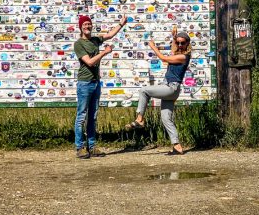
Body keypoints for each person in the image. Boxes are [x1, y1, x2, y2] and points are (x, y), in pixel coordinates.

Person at [126, 26, 191, 155]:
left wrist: (153, 47)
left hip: (171, 88)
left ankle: (140, 119)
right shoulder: (177, 52)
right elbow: (173, 48)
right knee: (166, 118)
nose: (179, 45)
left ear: (187, 44)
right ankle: (177, 146)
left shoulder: (184, 57)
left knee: (144, 91)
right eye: (178, 42)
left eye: (182, 43)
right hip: (170, 89)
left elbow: (164, 59)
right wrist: (174, 37)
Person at [73, 14, 127, 159]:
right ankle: (79, 147)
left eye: (89, 24)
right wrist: (104, 52)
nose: (87, 26)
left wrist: (121, 24)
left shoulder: (95, 40)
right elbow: (89, 62)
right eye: (84, 24)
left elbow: (110, 35)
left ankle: (92, 146)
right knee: (81, 116)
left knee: (93, 116)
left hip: (95, 82)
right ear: (80, 27)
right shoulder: (79, 44)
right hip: (84, 83)